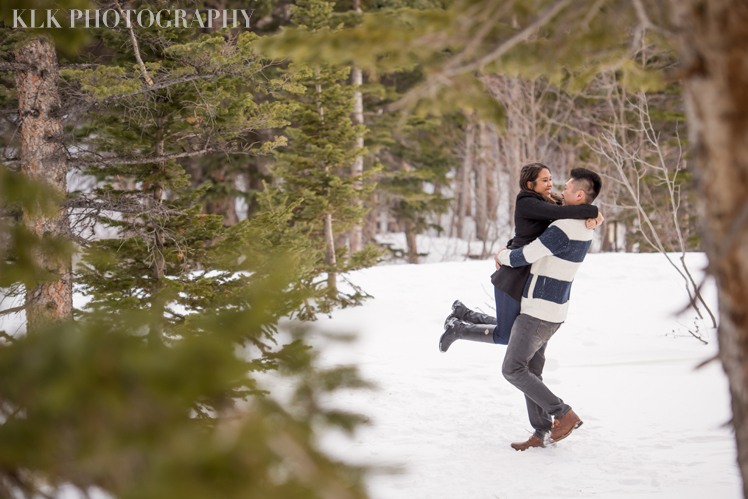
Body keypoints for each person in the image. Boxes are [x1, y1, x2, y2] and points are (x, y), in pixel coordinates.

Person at [439, 163, 601, 352]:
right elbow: (563, 213)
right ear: (530, 184)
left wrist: (595, 216)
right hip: (512, 274)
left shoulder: (549, 200)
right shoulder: (527, 201)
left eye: (550, 179)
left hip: (526, 272)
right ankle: (458, 329)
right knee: (506, 335)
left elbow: (570, 213)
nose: (550, 184)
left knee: (515, 327)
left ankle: (464, 313)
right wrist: (594, 212)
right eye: (544, 180)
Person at [494, 167, 602, 451]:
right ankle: (541, 433)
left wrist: (502, 255)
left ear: (579, 194)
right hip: (554, 310)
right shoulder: (583, 224)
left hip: (538, 309)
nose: (560, 190)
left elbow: (526, 255)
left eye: (566, 187)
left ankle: (563, 414)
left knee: (513, 369)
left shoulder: (564, 227)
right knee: (531, 371)